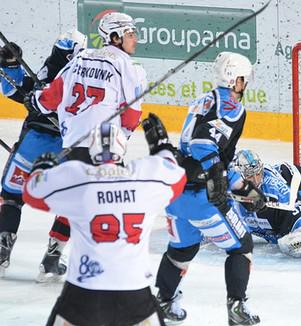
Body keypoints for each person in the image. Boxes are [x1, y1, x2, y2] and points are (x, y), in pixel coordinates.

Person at [21, 118, 186, 326]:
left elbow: (30, 193)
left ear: (91, 149)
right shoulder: (146, 178)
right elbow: (176, 176)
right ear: (122, 147)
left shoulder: (76, 178)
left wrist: (41, 168)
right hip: (135, 292)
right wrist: (161, 146)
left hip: (84, 292)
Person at [26, 12, 147, 280]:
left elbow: (50, 98)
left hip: (72, 145)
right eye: (130, 33)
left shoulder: (79, 58)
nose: (135, 38)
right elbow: (130, 117)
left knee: (77, 200)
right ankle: (97, 266)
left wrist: (33, 102)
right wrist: (120, 139)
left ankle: (53, 254)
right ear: (114, 37)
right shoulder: (130, 67)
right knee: (103, 206)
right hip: (104, 146)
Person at [154, 52, 263, 326]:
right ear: (235, 79)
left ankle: (164, 301)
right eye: (243, 79)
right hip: (202, 197)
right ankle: (237, 309)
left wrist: (246, 189)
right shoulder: (233, 107)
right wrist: (216, 179)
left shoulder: (203, 100)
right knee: (241, 246)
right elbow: (205, 146)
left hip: (177, 194)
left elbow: (210, 156)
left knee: (182, 251)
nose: (245, 83)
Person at [0, 30, 88, 278]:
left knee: (10, 196)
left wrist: (9, 65)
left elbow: (16, 91)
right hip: (66, 149)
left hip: (33, 143)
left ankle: (1, 250)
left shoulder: (52, 71)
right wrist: (12, 64)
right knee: (73, 202)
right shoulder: (84, 74)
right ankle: (53, 256)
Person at [233, 149, 301, 258]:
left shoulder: (274, 189)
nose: (256, 181)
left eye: (258, 173)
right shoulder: (229, 188)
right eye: (250, 176)